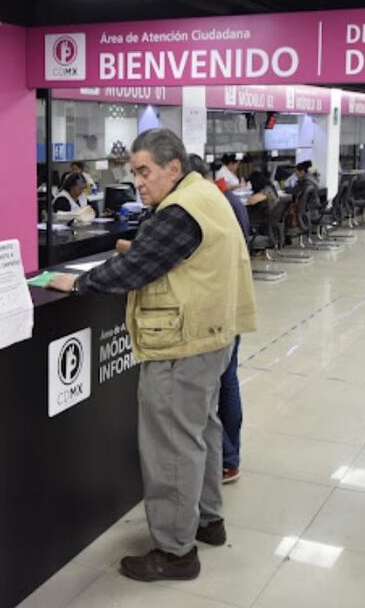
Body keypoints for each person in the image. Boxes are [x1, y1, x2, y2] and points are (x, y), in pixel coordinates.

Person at [46, 129, 256, 582]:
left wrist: (78, 283)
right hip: (214, 334)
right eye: (134, 173)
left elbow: (135, 267)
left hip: (181, 343)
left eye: (144, 171)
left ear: (173, 168)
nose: (138, 182)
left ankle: (176, 552)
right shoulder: (204, 192)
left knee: (170, 447)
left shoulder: (179, 211)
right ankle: (208, 520)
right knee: (201, 429)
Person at [187, 155, 248, 485]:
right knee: (229, 381)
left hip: (214, 310)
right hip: (232, 302)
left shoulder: (207, 207)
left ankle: (225, 458)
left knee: (215, 388)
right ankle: (231, 456)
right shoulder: (231, 202)